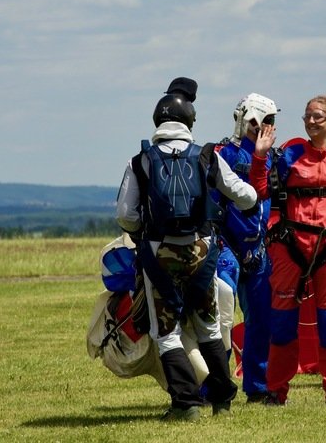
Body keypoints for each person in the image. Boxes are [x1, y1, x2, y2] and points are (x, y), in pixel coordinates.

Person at [116, 78, 258, 421]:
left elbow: (125, 214)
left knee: (167, 333)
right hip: (202, 252)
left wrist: (143, 234)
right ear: (190, 122)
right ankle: (223, 397)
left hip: (158, 254)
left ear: (157, 123)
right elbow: (246, 196)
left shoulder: (141, 161)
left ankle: (186, 404)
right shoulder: (206, 156)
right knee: (209, 328)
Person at [250, 95, 326, 406]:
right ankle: (276, 391)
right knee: (282, 325)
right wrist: (260, 157)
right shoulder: (288, 155)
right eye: (307, 116)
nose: (311, 121)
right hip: (289, 247)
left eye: (318, 116)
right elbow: (261, 190)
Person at [211, 93, 279, 403]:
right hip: (226, 247)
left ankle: (258, 386)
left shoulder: (272, 160)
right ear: (244, 120)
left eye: (269, 122)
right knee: (220, 319)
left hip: (258, 251)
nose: (263, 128)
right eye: (258, 122)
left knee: (261, 320)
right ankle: (214, 386)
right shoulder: (222, 155)